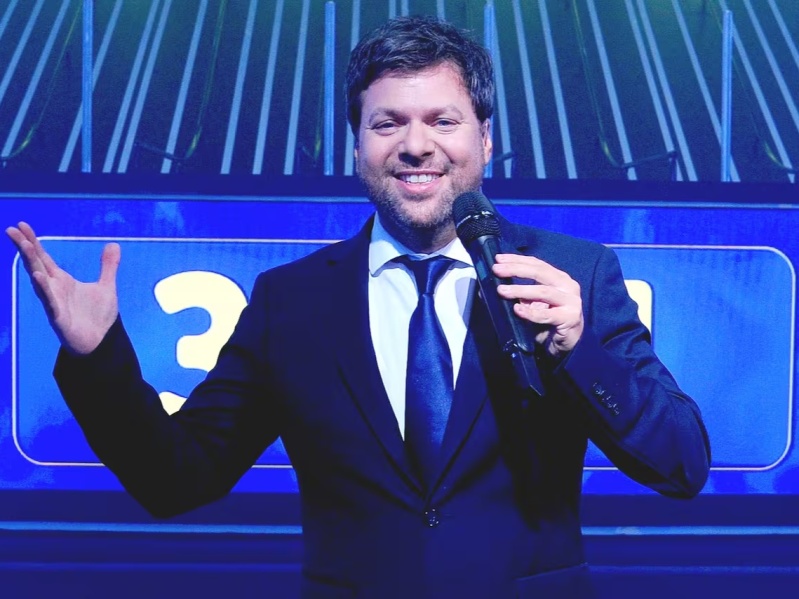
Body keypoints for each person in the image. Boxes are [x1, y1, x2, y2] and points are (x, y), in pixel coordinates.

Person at [7, 16, 710, 599]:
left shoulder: (575, 275)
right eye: (387, 123)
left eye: (442, 120)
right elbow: (175, 479)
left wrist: (579, 349)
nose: (416, 145)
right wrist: (96, 356)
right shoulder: (291, 301)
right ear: (356, 145)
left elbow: (682, 466)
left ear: (485, 138)